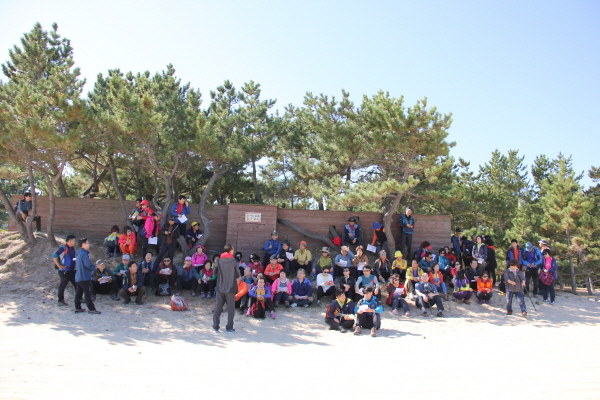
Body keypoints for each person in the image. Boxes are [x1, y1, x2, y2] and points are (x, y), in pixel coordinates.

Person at [212, 244, 241, 333]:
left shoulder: (218, 261)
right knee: (231, 308)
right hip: (231, 287)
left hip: (220, 286)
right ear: (231, 250)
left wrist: (220, 277)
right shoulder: (235, 261)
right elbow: (238, 274)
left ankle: (215, 326)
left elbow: (214, 272)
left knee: (218, 306)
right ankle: (229, 327)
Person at [74, 238, 100, 314]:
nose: (89, 244)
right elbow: (87, 264)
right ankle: (91, 309)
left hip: (78, 276)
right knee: (87, 293)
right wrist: (95, 267)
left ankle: (78, 307)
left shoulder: (78, 253)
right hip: (84, 276)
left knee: (79, 293)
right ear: (83, 244)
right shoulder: (84, 254)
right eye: (87, 243)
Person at [52, 234, 77, 306]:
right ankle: (60, 301)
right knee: (62, 286)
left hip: (72, 271)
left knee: (77, 285)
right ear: (70, 241)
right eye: (74, 241)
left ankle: (79, 298)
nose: (75, 242)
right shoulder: (63, 248)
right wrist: (59, 265)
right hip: (64, 271)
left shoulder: (72, 248)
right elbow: (54, 255)